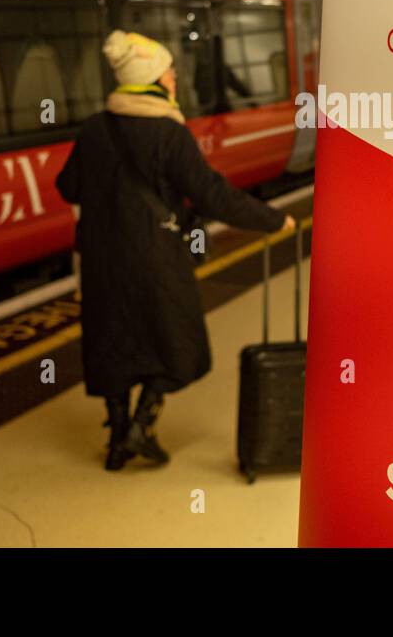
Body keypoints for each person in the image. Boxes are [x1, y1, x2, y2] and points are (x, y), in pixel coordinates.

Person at [55, 30, 293, 471]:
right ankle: (142, 424)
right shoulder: (168, 133)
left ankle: (118, 439)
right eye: (168, 71)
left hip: (102, 259)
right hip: (155, 257)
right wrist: (273, 219)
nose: (174, 77)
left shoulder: (94, 128)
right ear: (151, 78)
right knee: (179, 342)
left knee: (113, 344)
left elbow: (67, 186)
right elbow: (211, 195)